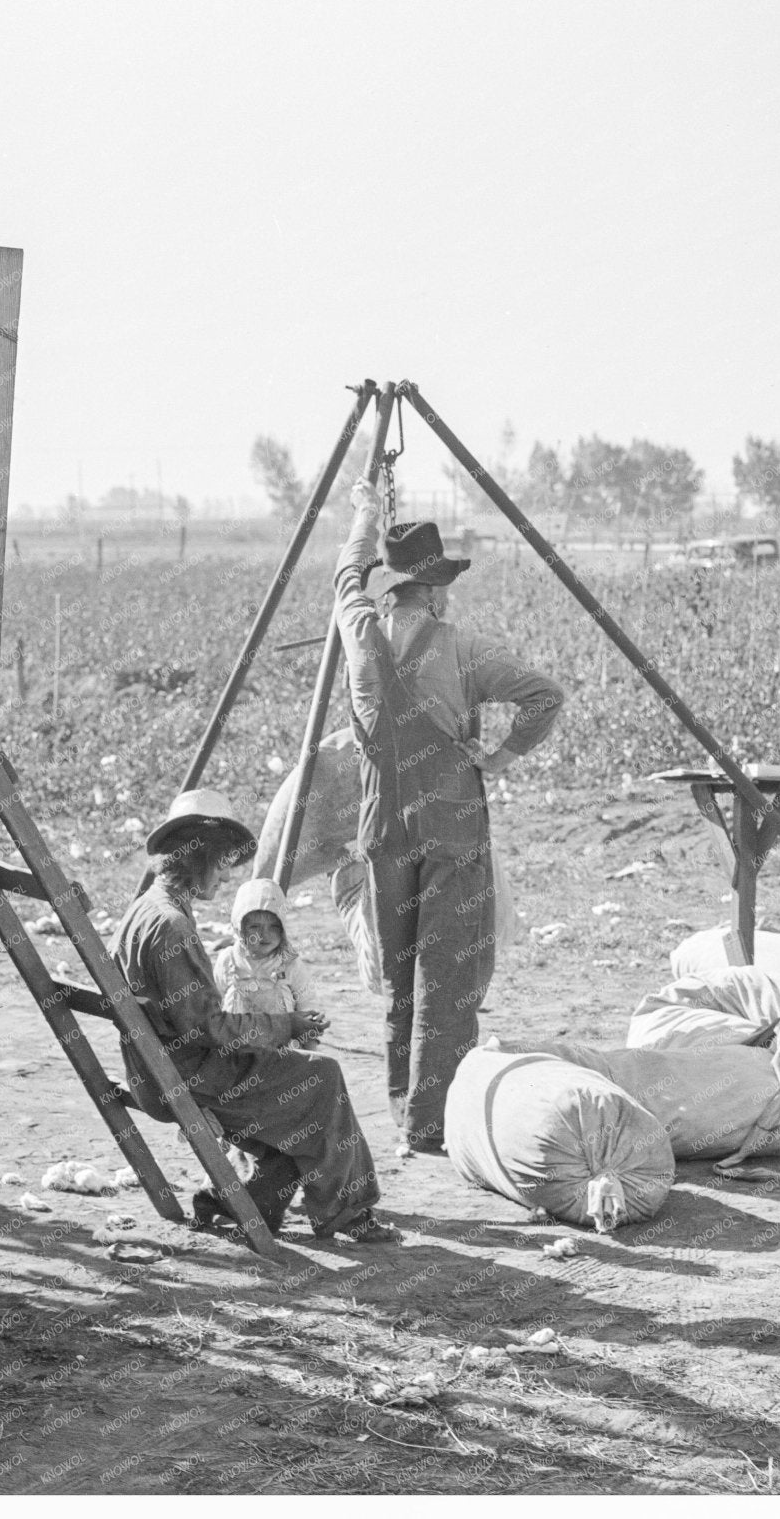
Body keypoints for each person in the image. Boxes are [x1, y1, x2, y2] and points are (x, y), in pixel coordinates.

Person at [335, 476, 565, 1156]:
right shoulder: (463, 648)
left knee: (401, 967)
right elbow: (544, 698)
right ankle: (433, 1122)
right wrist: (497, 758)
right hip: (450, 820)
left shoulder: (355, 621)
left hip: (383, 823)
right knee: (448, 969)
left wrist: (364, 510)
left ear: (390, 587)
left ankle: (405, 1105)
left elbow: (348, 568)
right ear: (433, 591)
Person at [113, 788, 396, 1243]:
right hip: (189, 1074)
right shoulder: (171, 924)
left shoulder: (144, 909)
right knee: (322, 1078)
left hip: (157, 1068)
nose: (225, 877)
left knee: (295, 1114)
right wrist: (287, 1025)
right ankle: (349, 1214)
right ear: (198, 856)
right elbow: (209, 1028)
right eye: (222, 862)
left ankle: (238, 1204)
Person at [211, 877, 327, 1052]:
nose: (264, 934)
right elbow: (212, 1008)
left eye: (273, 927)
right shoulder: (228, 961)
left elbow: (307, 1005)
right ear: (239, 927)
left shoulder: (289, 963)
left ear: (283, 928)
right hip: (236, 1053)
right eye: (255, 927)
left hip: (282, 1053)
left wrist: (311, 1053)